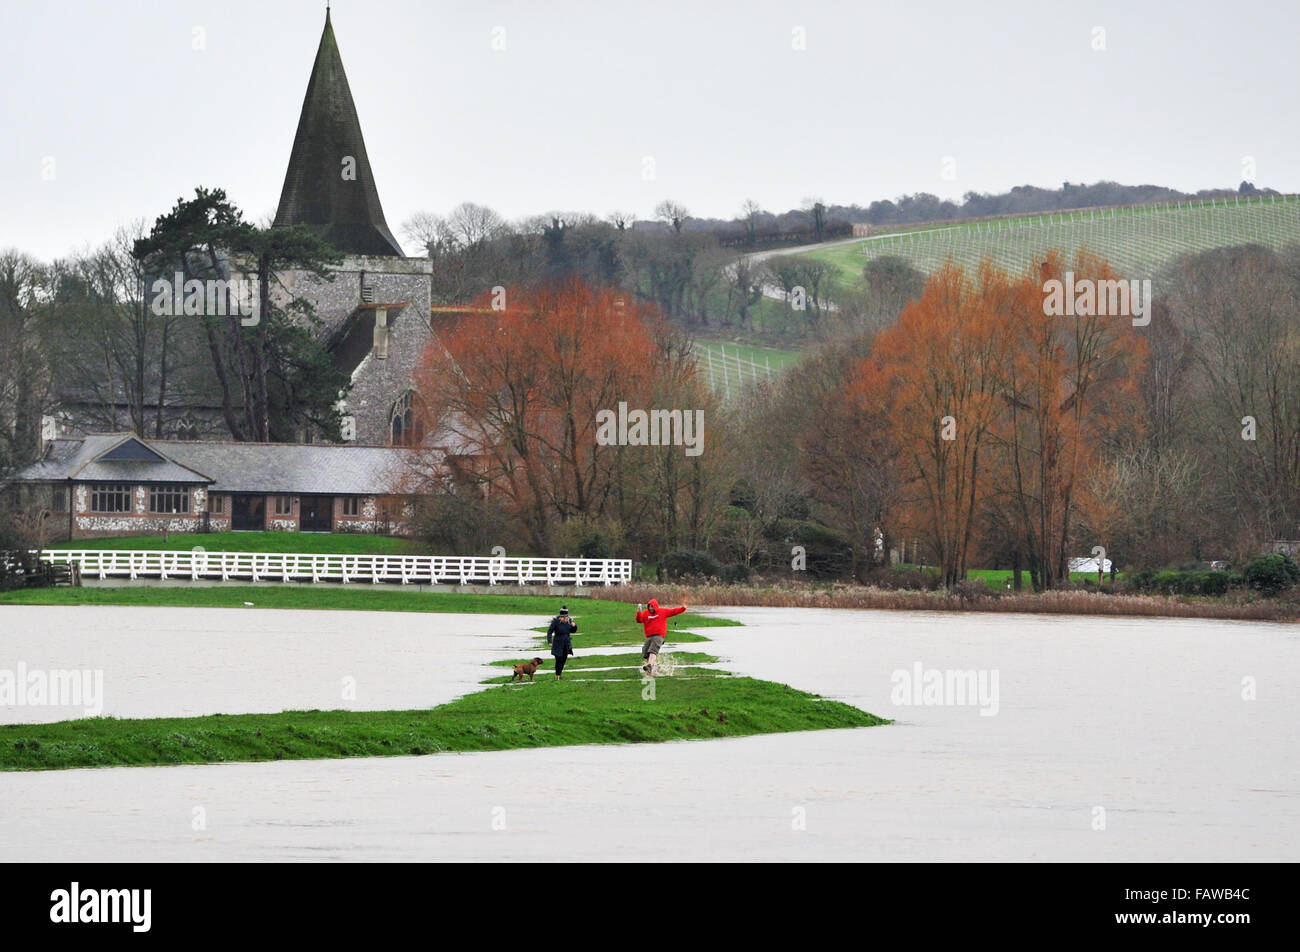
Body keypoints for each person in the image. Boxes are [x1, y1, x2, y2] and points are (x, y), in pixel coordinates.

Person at [635, 598, 685, 676]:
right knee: (646, 653)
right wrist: (639, 611)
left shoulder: (662, 611)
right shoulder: (645, 613)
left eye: (652, 606)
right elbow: (639, 620)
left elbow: (673, 611)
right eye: (649, 606)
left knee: (652, 651)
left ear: (655, 606)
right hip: (649, 637)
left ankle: (649, 666)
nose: (651, 608)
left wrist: (683, 608)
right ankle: (652, 671)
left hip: (659, 636)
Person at [546, 605, 577, 680]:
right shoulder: (555, 622)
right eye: (563, 617)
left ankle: (559, 674)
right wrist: (550, 641)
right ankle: (557, 675)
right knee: (558, 660)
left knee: (564, 659)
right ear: (560, 616)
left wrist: (574, 626)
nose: (565, 618)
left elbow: (573, 631)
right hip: (557, 643)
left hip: (566, 643)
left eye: (566, 616)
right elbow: (549, 632)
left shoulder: (569, 621)